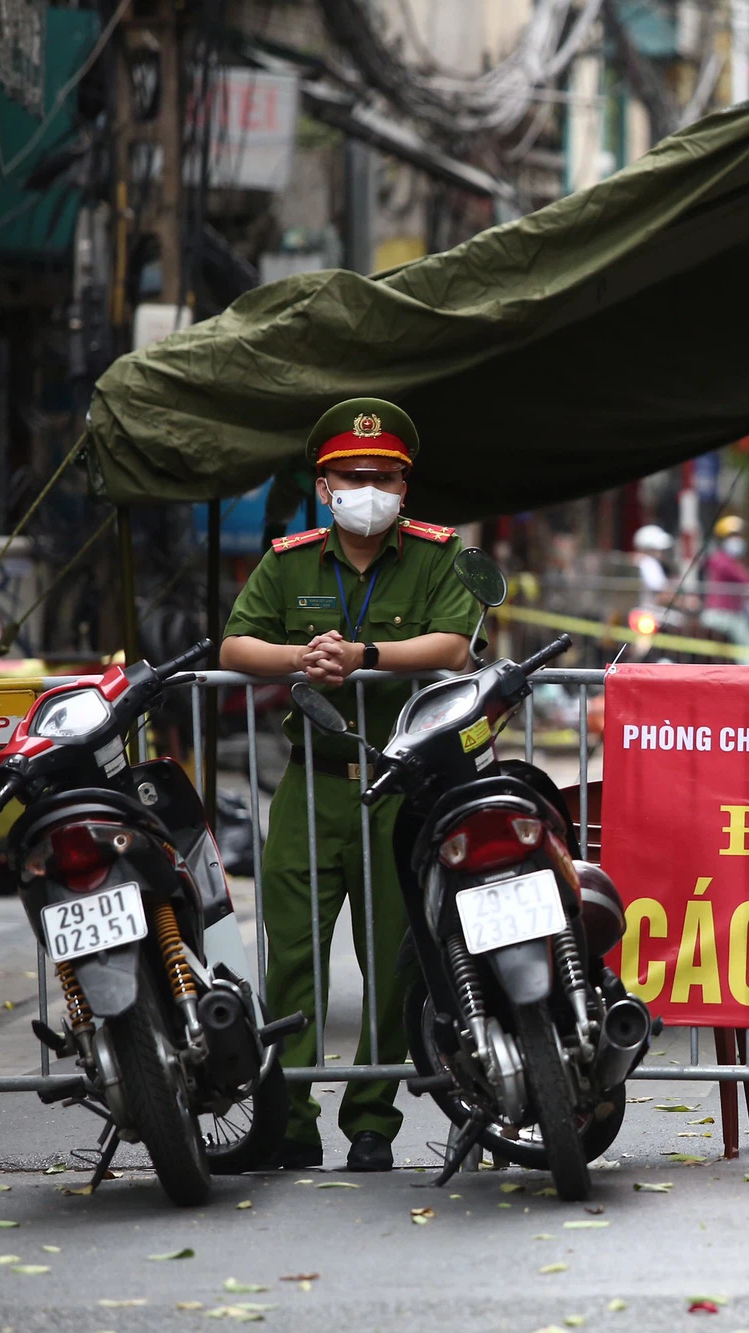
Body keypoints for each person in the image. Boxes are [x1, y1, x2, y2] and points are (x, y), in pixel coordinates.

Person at [219, 398, 482, 1171]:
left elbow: (457, 645)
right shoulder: (290, 558)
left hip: (402, 786)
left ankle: (372, 1118)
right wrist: (304, 659)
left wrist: (363, 656)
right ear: (324, 485)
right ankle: (291, 1122)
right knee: (292, 957)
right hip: (312, 785)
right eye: (352, 475)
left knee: (395, 958)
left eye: (384, 476)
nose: (369, 487)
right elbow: (236, 643)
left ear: (405, 484)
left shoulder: (437, 555)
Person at [700, 515, 749, 647]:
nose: (738, 540)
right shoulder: (721, 561)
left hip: (728, 614)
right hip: (721, 615)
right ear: (722, 540)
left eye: (739, 536)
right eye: (733, 536)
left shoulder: (729, 561)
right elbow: (746, 579)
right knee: (748, 640)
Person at [632, 524, 675, 600]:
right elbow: (662, 594)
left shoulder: (640, 561)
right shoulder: (648, 563)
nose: (661, 552)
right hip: (650, 610)